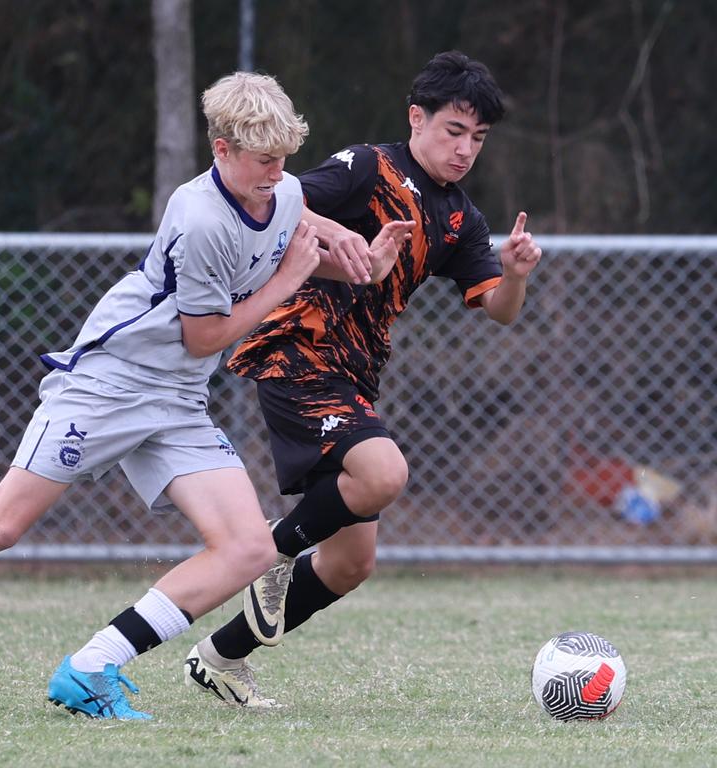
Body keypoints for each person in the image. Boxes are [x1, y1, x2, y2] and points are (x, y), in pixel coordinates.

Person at [0, 70, 409, 720]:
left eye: (283, 161)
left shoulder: (279, 194)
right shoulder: (199, 217)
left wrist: (369, 263)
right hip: (109, 385)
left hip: (174, 401)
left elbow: (299, 253)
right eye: (262, 162)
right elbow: (206, 336)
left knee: (249, 547)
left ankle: (90, 668)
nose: (276, 175)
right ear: (221, 150)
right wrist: (287, 284)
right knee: (0, 525)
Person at [182, 50, 544, 708]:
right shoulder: (366, 168)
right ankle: (271, 550)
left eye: (478, 139)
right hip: (299, 349)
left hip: (355, 372)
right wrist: (338, 249)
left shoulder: (461, 218)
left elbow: (499, 310)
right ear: (417, 118)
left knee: (352, 563)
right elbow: (272, 202)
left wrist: (515, 275)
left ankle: (222, 657)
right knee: (384, 473)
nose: (465, 151)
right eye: (453, 132)